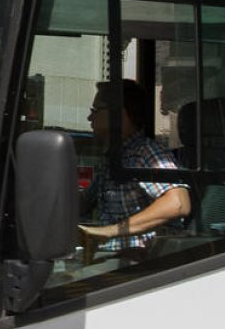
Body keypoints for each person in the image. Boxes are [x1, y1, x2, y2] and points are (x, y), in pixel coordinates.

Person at [78, 79, 191, 260]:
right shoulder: (114, 159)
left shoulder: (146, 152)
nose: (89, 118)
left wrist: (109, 232)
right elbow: (82, 203)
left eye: (95, 110)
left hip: (141, 266)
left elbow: (178, 203)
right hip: (111, 260)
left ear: (119, 115)